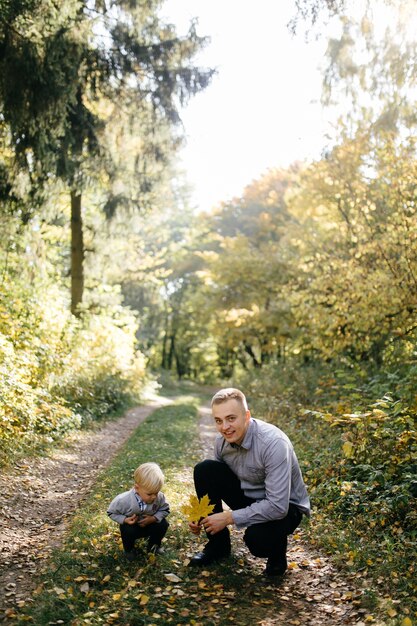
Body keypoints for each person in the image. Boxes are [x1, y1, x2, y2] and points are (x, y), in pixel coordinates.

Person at [188, 388, 310, 576]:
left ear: (246, 416)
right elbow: (217, 480)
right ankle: (218, 546)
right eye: (218, 421)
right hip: (249, 496)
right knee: (205, 469)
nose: (224, 427)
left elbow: (278, 506)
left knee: (258, 541)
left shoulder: (273, 443)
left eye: (231, 418)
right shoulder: (222, 442)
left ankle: (277, 551)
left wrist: (229, 517)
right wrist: (201, 515)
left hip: (285, 507)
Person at [107, 462, 170, 562]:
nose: (154, 497)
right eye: (149, 494)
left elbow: (165, 509)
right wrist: (125, 519)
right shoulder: (123, 500)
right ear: (137, 488)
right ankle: (129, 550)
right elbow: (111, 512)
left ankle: (154, 546)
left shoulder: (159, 497)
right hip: (133, 527)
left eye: (156, 493)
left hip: (150, 525)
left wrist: (154, 518)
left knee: (163, 524)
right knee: (127, 529)